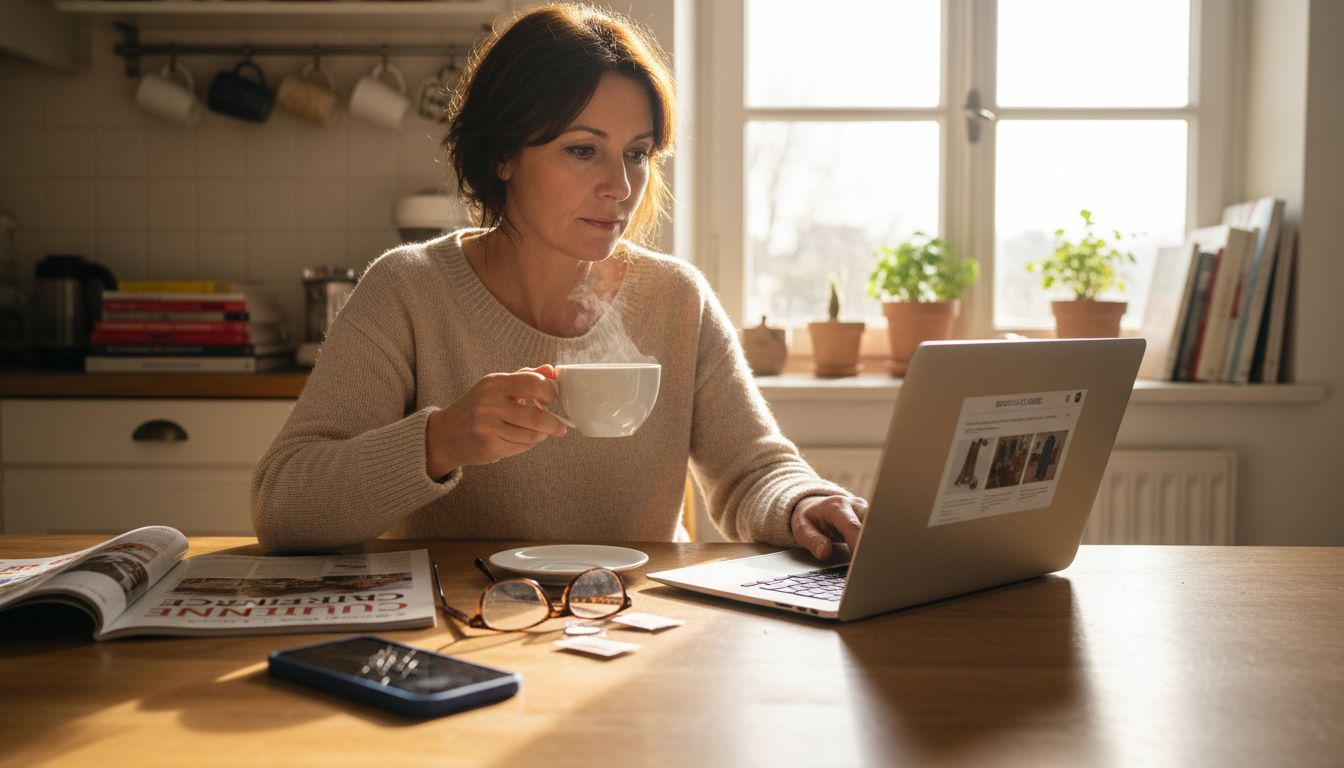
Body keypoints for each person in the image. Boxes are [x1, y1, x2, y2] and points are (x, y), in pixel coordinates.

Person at [251, 3, 868, 559]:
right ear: (503, 156)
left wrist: (803, 504)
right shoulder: (409, 290)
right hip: (460, 633)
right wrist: (439, 441)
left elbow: (753, 471)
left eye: (637, 153)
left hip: (638, 634)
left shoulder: (677, 299)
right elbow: (283, 507)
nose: (620, 188)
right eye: (582, 150)